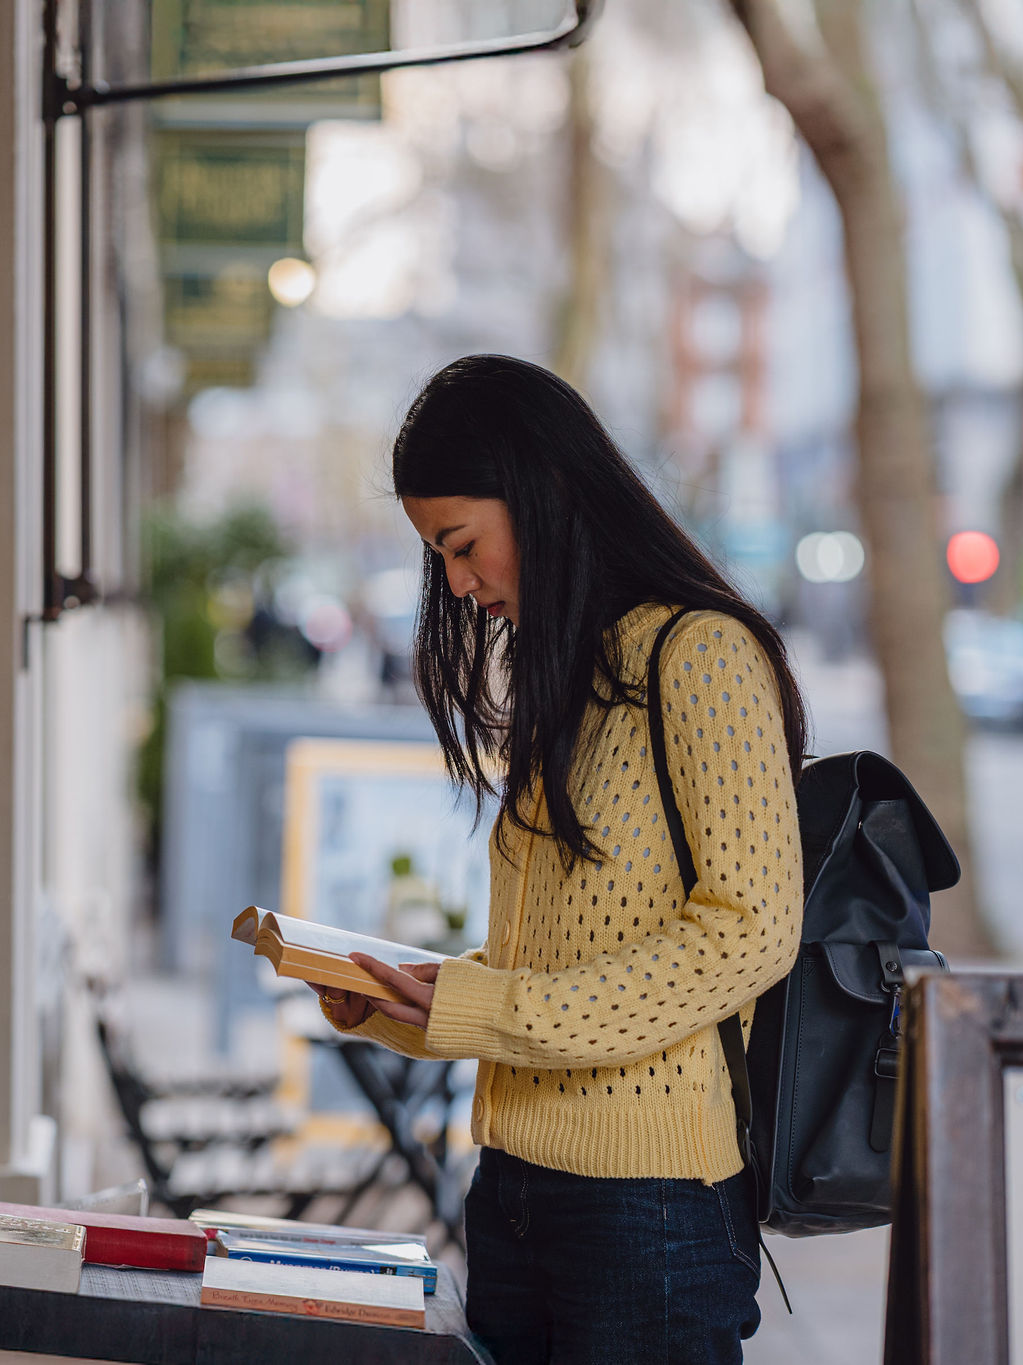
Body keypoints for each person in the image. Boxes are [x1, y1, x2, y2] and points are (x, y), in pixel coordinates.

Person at [313, 355, 807, 1365]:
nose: (453, 583)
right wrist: (415, 1007)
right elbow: (549, 974)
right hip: (511, 1191)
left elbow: (750, 931)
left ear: (538, 495)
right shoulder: (570, 676)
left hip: (649, 1212)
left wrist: (488, 1011)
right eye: (436, 558)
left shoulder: (700, 654)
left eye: (461, 546)